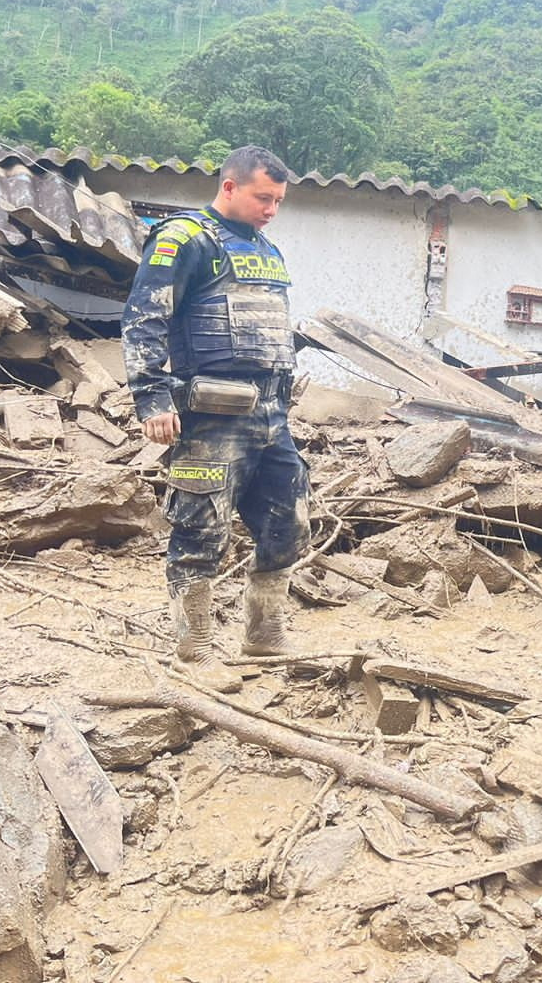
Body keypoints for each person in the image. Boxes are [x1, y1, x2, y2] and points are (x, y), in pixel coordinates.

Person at [122, 145, 310, 691]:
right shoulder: (185, 239)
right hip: (211, 418)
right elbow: (142, 321)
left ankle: (263, 634)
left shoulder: (267, 250)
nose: (272, 208)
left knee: (288, 523)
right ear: (229, 187)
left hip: (272, 415)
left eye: (278, 200)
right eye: (262, 197)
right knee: (200, 531)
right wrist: (152, 399)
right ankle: (194, 651)